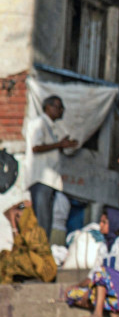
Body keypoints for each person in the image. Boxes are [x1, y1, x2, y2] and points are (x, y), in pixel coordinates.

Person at [65, 208, 119, 317]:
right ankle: (106, 307)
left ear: (114, 224)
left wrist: (101, 276)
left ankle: (98, 313)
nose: (100, 225)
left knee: (102, 273)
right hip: (106, 289)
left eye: (104, 222)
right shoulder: (103, 245)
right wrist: (78, 286)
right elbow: (92, 274)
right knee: (72, 293)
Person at [26, 96, 79, 237]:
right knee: (42, 222)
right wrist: (59, 145)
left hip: (50, 181)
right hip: (41, 179)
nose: (61, 110)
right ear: (48, 107)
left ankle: (43, 252)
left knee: (47, 222)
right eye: (58, 106)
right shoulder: (39, 124)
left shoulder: (50, 127)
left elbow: (48, 150)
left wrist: (61, 146)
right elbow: (36, 147)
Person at [0, 200, 57, 284]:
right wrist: (13, 221)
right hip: (29, 263)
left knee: (14, 258)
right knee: (5, 256)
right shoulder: (21, 232)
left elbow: (28, 203)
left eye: (19, 217)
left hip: (43, 267)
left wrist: (20, 208)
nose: (18, 220)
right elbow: (9, 212)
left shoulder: (36, 231)